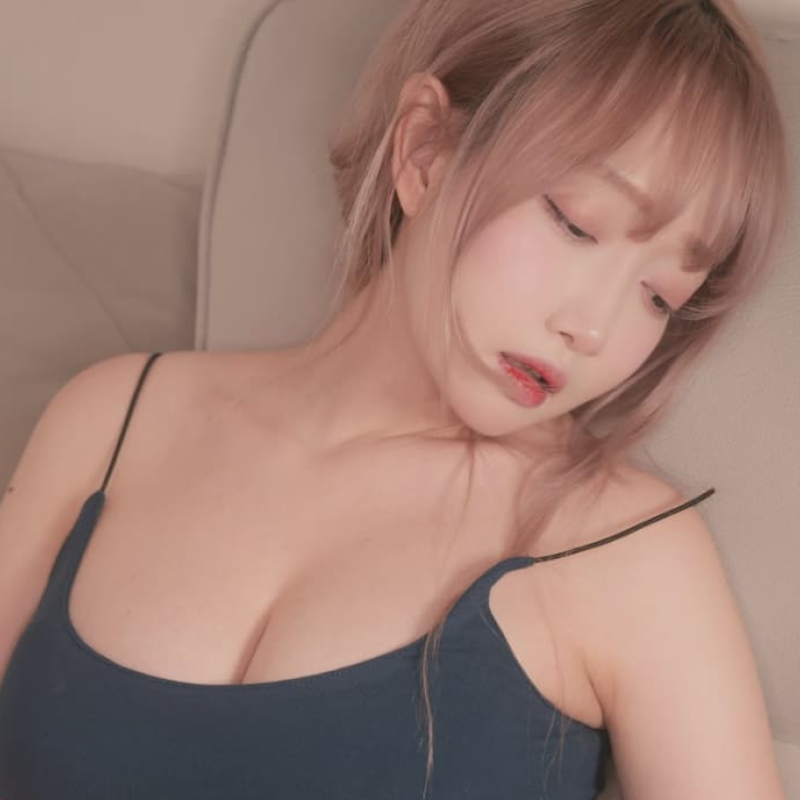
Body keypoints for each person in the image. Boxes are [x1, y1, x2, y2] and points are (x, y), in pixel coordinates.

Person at [0, 0, 791, 797]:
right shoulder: (114, 420)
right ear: (425, 150)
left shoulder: (630, 554)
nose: (593, 328)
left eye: (660, 295)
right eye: (576, 224)